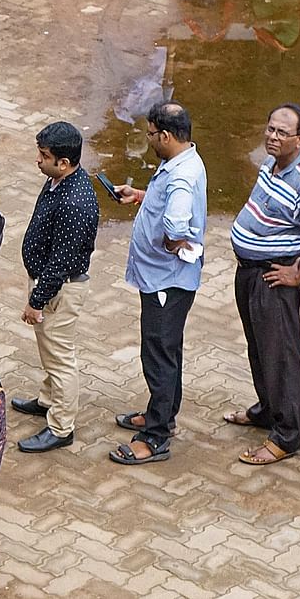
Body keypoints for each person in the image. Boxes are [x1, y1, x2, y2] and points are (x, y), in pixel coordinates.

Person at [225, 104, 300, 464]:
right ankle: (267, 410)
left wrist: (297, 275)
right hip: (249, 272)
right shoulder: (271, 164)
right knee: (259, 347)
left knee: (280, 356)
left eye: (282, 133)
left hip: (273, 279)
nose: (272, 137)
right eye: (270, 129)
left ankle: (287, 436)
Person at [109, 101, 207, 465]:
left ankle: (155, 436)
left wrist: (170, 242)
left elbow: (177, 224)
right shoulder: (183, 163)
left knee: (159, 354)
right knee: (167, 348)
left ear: (165, 135)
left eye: (150, 134)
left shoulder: (181, 176)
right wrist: (139, 196)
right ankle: (160, 413)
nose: (149, 139)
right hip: (165, 280)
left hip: (167, 280)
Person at [13, 120, 98, 453]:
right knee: (49, 348)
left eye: (43, 155)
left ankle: (62, 427)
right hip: (51, 286)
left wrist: (36, 300)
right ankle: (49, 399)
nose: (38, 159)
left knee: (61, 358)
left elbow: (60, 262)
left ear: (64, 162)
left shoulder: (74, 202)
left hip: (59, 290)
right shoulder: (61, 180)